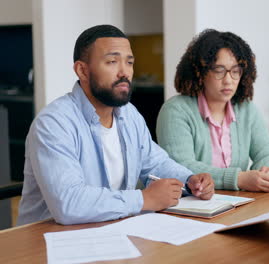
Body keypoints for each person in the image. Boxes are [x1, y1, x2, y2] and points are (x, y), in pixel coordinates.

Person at [17, 25, 214, 226]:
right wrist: (144, 199)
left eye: (129, 62)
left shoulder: (129, 114)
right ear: (82, 70)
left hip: (110, 230)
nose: (124, 72)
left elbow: (155, 163)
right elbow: (68, 204)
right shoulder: (54, 123)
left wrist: (190, 180)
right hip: (47, 242)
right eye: (112, 61)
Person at [156, 29, 269, 192]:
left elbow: (268, 153)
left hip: (237, 205)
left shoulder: (246, 109)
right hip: (189, 207)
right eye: (219, 71)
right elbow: (181, 167)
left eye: (235, 71)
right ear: (200, 72)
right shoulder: (175, 110)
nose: (228, 80)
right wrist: (239, 179)